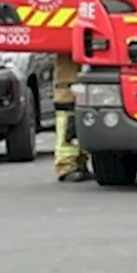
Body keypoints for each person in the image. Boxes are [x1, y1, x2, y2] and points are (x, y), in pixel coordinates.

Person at [53, 54, 93, 182]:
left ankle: (80, 162)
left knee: (85, 113)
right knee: (68, 113)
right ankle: (66, 165)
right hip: (68, 73)